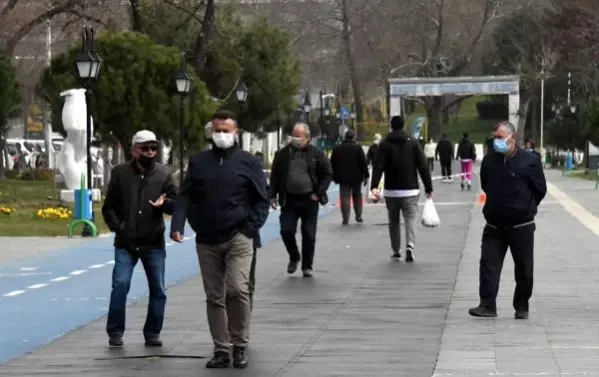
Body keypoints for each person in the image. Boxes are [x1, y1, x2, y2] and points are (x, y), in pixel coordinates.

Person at [170, 109, 269, 369]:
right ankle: (222, 349)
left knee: (237, 289)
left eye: (226, 130)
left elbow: (262, 199)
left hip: (239, 236)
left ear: (236, 133)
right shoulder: (199, 162)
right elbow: (185, 196)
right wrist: (180, 224)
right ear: (211, 132)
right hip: (207, 239)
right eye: (218, 130)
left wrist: (250, 228)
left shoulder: (248, 162)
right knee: (214, 296)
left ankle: (240, 345)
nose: (221, 135)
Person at [101, 130, 177, 348]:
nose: (150, 152)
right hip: (126, 242)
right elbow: (109, 208)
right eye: (145, 148)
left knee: (159, 289)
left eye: (154, 148)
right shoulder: (120, 173)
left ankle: (152, 332)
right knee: (120, 285)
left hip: (153, 241)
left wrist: (166, 204)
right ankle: (115, 331)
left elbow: (175, 202)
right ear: (134, 150)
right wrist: (119, 228)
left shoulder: (164, 173)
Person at [469, 121, 546, 320]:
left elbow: (540, 189)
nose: (496, 141)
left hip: (521, 224)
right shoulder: (489, 161)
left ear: (512, 138)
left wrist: (526, 206)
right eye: (494, 137)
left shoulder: (529, 160)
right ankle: (487, 304)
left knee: (524, 269)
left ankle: (521, 305)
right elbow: (486, 184)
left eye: (500, 137)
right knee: (488, 264)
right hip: (494, 223)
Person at [269, 123, 333, 277]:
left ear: (307, 137)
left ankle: (307, 266)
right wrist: (272, 195)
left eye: (299, 136)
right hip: (289, 199)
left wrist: (319, 193)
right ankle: (294, 255)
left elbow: (328, 173)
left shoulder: (316, 154)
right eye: (294, 135)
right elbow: (275, 176)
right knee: (286, 230)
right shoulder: (282, 154)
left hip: (309, 200)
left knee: (309, 234)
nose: (295, 138)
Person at [370, 115, 433, 262]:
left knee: (393, 220)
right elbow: (423, 166)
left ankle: (396, 249)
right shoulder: (413, 142)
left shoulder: (385, 144)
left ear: (391, 126)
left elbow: (378, 166)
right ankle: (410, 245)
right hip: (410, 189)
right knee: (410, 218)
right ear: (403, 126)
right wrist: (428, 186)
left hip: (391, 190)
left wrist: (374, 186)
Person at [330, 129, 369, 225]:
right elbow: (363, 163)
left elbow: (332, 163)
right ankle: (358, 215)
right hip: (357, 177)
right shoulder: (358, 148)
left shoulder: (337, 148)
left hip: (343, 177)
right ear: (353, 137)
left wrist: (333, 176)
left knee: (344, 198)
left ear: (345, 137)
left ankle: (345, 218)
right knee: (357, 196)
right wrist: (366, 175)